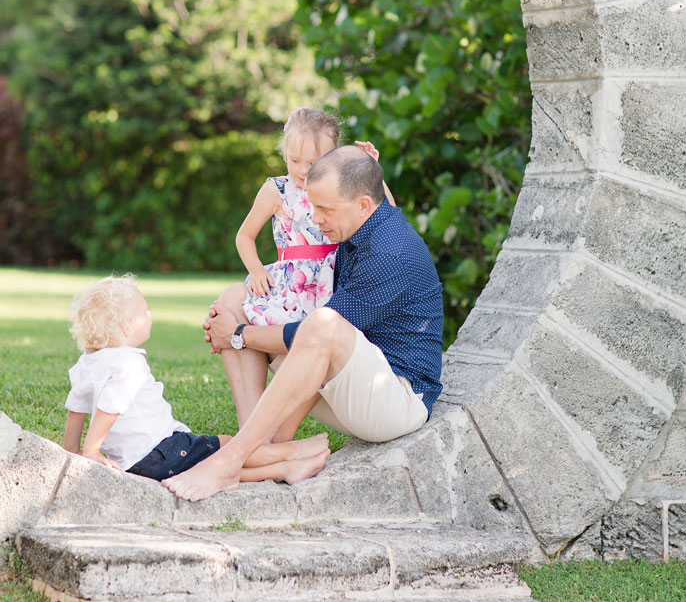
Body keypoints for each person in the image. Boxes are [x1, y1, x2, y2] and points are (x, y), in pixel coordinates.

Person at [163, 146, 443, 502]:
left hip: (396, 400)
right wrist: (236, 326)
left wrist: (236, 336)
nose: (316, 218)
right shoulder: (364, 223)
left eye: (325, 209)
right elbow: (375, 189)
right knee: (235, 299)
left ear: (362, 205)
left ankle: (231, 461)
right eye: (313, 206)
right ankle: (266, 448)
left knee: (324, 323)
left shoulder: (391, 252)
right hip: (349, 381)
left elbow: (311, 334)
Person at [63, 274, 329, 484]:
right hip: (161, 449)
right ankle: (292, 452)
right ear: (125, 328)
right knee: (229, 446)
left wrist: (72, 448)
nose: (150, 315)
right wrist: (91, 450)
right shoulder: (128, 363)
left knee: (201, 467)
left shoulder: (86, 363)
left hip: (136, 464)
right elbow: (112, 404)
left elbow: (77, 406)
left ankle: (286, 469)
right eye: (144, 312)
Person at [237, 106, 392, 327]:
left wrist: (373, 172)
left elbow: (388, 213)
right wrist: (256, 269)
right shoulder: (278, 190)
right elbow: (245, 236)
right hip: (294, 287)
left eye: (313, 163)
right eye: (294, 160)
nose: (302, 170)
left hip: (340, 277)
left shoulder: (346, 187)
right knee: (288, 336)